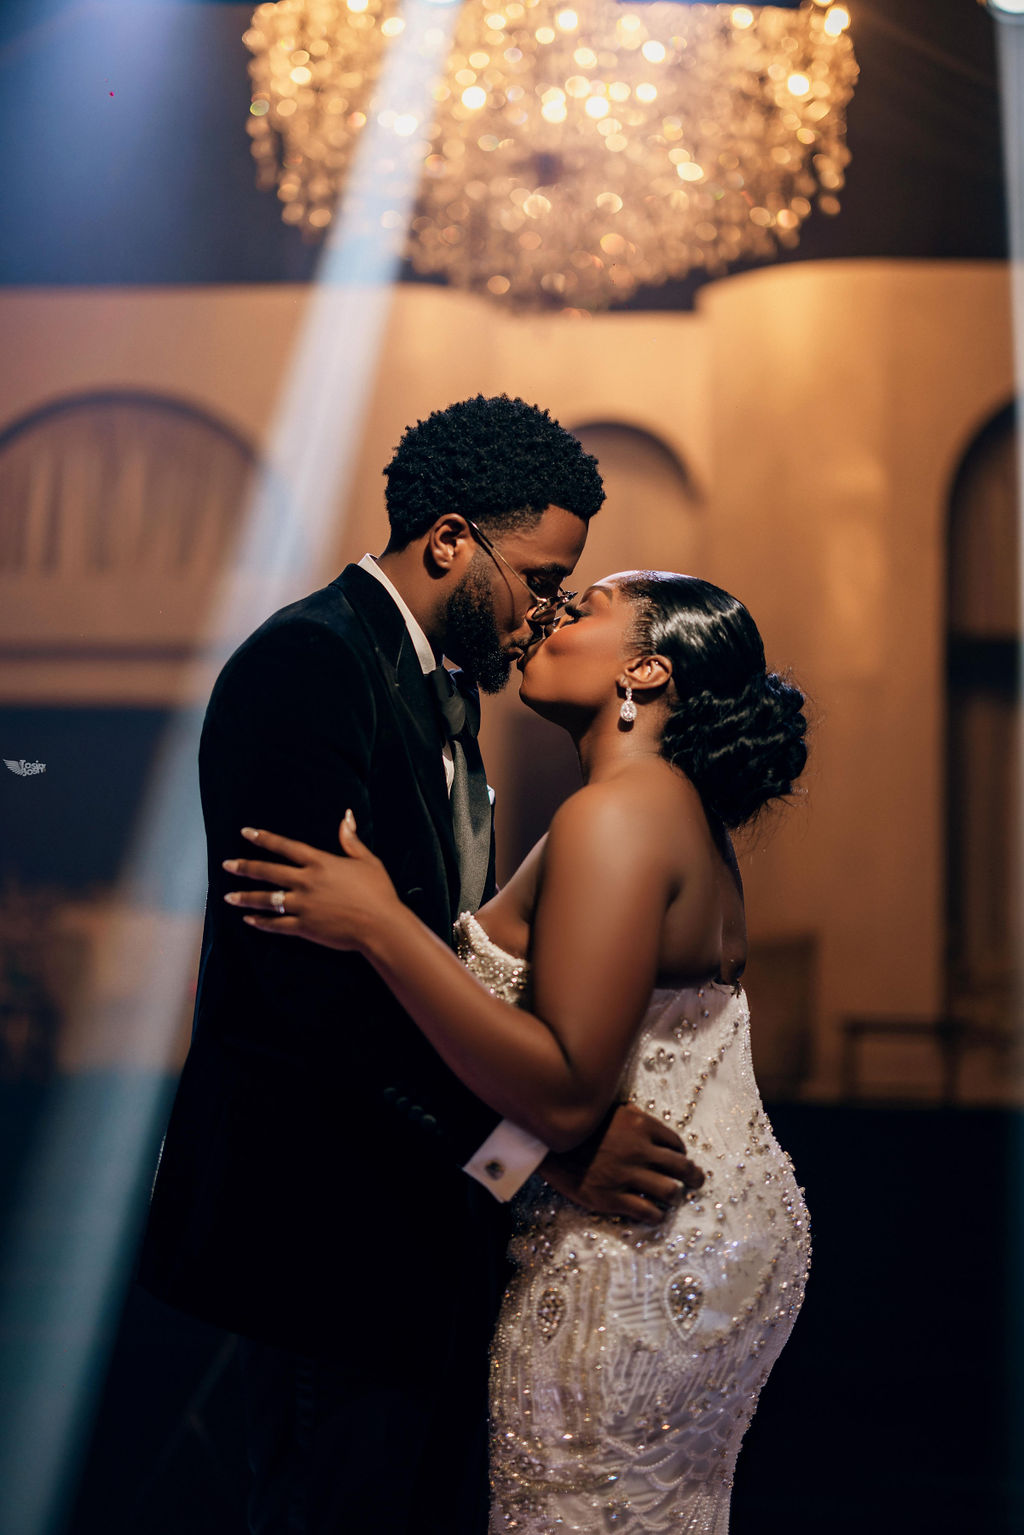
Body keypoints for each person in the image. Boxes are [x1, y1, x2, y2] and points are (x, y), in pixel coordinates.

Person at [138, 397, 703, 1535]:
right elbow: (308, 1000)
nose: (544, 611)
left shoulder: (446, 695)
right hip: (320, 1224)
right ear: (450, 539)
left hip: (409, 1225)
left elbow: (442, 966)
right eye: (542, 575)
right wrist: (535, 1151)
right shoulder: (309, 663)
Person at [221, 569, 812, 1533]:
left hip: (637, 1250)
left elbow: (573, 1093)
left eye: (580, 606)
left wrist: (381, 924)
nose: (547, 614)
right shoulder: (662, 808)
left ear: (646, 669)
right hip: (693, 1229)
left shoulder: (619, 813)